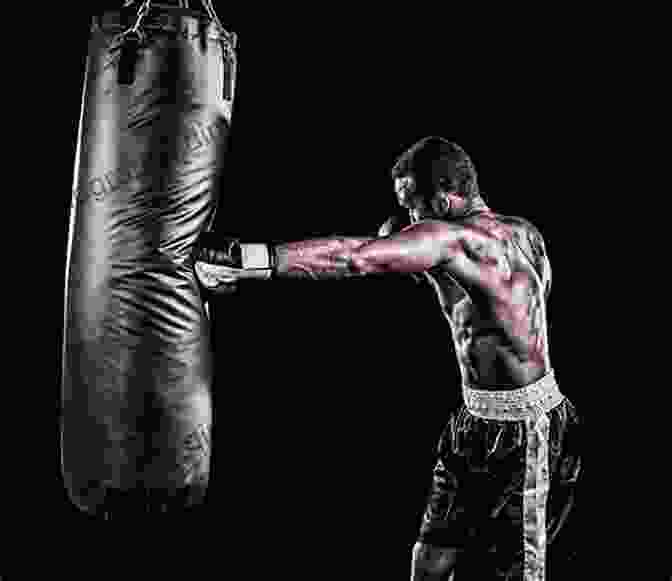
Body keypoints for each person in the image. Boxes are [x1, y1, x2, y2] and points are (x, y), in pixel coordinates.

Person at [193, 136, 581, 580]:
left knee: (517, 574)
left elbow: (356, 259)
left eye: (414, 206)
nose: (411, 219)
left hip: (528, 429)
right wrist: (421, 260)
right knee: (431, 559)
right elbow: (499, 308)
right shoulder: (523, 233)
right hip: (473, 420)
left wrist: (247, 260)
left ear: (444, 198)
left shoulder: (452, 240)